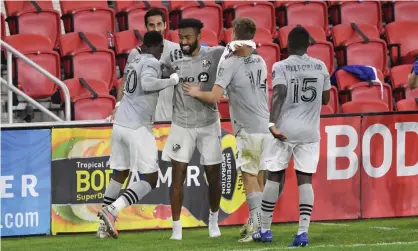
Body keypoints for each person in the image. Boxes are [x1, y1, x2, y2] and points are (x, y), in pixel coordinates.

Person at [184, 17, 270, 242]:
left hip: (247, 128)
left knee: (249, 176)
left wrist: (195, 92)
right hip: (265, 126)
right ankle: (257, 222)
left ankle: (259, 228)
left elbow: (214, 96)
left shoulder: (231, 63)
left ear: (234, 35)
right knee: (259, 175)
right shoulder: (260, 61)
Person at [251, 26, 331, 247]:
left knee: (274, 175)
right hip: (309, 131)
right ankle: (302, 232)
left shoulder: (281, 65)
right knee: (305, 179)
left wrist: (272, 123)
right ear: (308, 45)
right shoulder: (321, 66)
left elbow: (279, 94)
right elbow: (325, 100)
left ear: (287, 44)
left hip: (285, 130)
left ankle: (265, 230)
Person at [97, 31, 180, 239]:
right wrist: (172, 80)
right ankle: (112, 210)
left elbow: (126, 84)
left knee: (119, 174)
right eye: (161, 48)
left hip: (120, 125)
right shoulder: (151, 61)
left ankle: (102, 228)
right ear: (156, 46)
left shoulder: (133, 60)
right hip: (138, 128)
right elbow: (148, 84)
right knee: (150, 179)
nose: (162, 52)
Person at [160, 18, 225, 241]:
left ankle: (213, 221)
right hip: (182, 124)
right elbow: (159, 76)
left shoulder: (216, 54)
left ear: (200, 37)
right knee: (177, 175)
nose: (183, 42)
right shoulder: (172, 58)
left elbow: (235, 57)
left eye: (188, 37)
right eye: (181, 38)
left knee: (214, 176)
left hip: (209, 123)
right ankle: (176, 227)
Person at [126, 8, 180, 122]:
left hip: (170, 121)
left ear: (165, 25)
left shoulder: (177, 50)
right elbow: (127, 84)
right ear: (146, 27)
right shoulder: (136, 53)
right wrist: (118, 105)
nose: (156, 29)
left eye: (159, 24)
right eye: (151, 25)